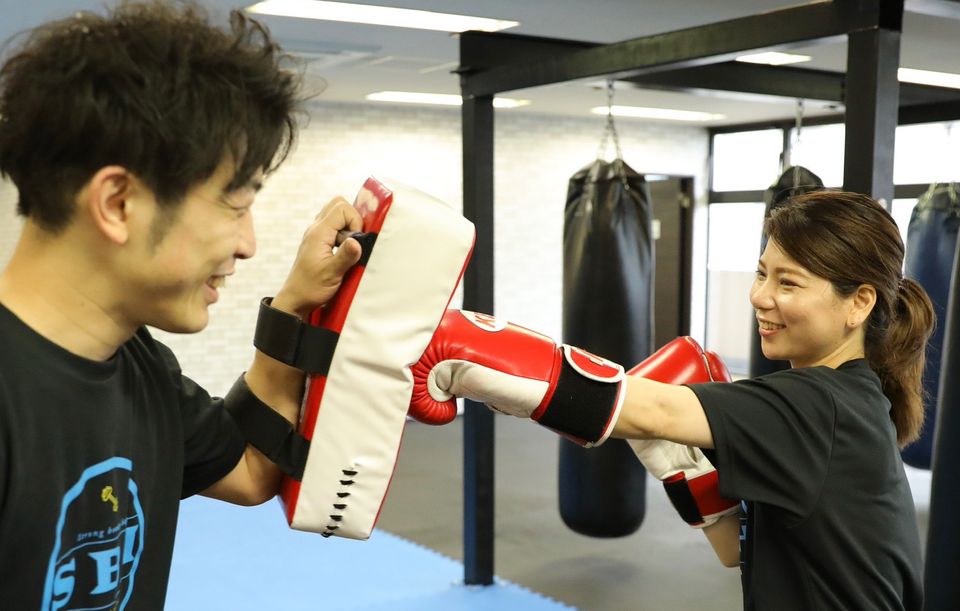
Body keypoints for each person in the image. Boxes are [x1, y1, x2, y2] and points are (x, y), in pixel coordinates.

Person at [0, 2, 362, 609]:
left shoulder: (138, 362)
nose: (248, 245)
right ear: (118, 203)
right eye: (235, 205)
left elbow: (250, 470)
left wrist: (298, 307)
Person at [413, 190, 932, 611]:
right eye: (762, 273)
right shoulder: (849, 399)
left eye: (788, 283)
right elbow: (735, 552)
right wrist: (686, 472)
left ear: (859, 303)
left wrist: (464, 349)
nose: (759, 296)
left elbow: (654, 410)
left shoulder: (822, 407)